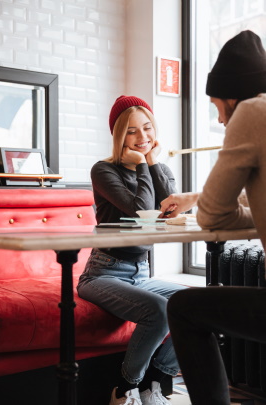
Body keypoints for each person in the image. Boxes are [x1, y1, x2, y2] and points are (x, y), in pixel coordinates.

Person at [164, 30, 266, 405]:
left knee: (184, 308)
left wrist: (213, 206)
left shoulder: (252, 111)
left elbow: (213, 214)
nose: (220, 120)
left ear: (234, 98)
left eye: (216, 106)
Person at [77, 95, 186, 405]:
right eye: (132, 131)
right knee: (159, 311)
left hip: (141, 273)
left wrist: (152, 163)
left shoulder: (159, 167)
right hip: (103, 272)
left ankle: (155, 383)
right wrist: (142, 166)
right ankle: (124, 389)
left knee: (194, 305)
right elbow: (139, 213)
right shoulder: (103, 171)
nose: (143, 138)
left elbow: (172, 209)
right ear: (119, 136)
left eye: (147, 129)